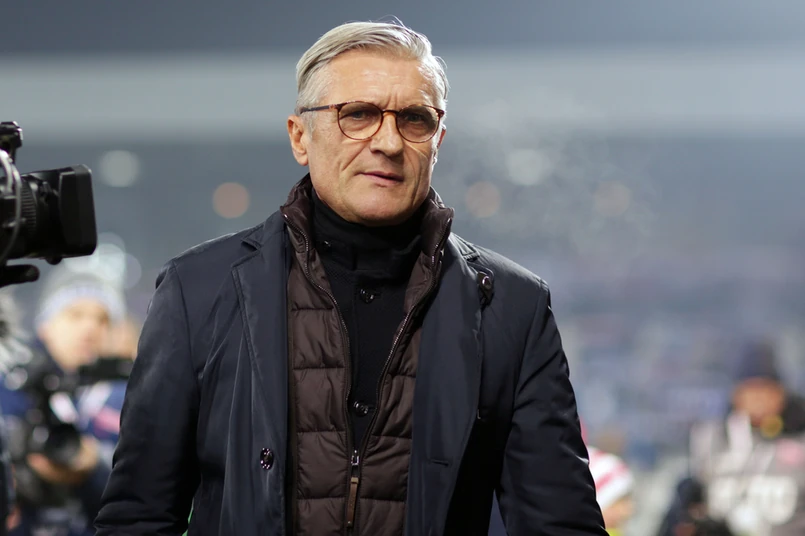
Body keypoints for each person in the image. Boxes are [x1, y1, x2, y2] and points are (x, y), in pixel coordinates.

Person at [95, 20, 605, 535]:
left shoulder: (514, 307)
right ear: (300, 137)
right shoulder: (196, 290)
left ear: (438, 142)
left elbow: (561, 523)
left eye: (415, 119)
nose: (388, 141)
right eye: (357, 114)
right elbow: (138, 517)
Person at [0, 269, 126, 535]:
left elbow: (149, 488)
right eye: (75, 315)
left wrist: (95, 466)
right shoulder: (10, 385)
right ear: (46, 324)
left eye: (102, 319)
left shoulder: (127, 396)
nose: (90, 328)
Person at [657, 340, 805, 536]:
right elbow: (690, 501)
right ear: (736, 394)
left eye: (766, 389)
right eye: (751, 390)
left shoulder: (799, 437)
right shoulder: (712, 438)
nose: (759, 399)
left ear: (781, 394)